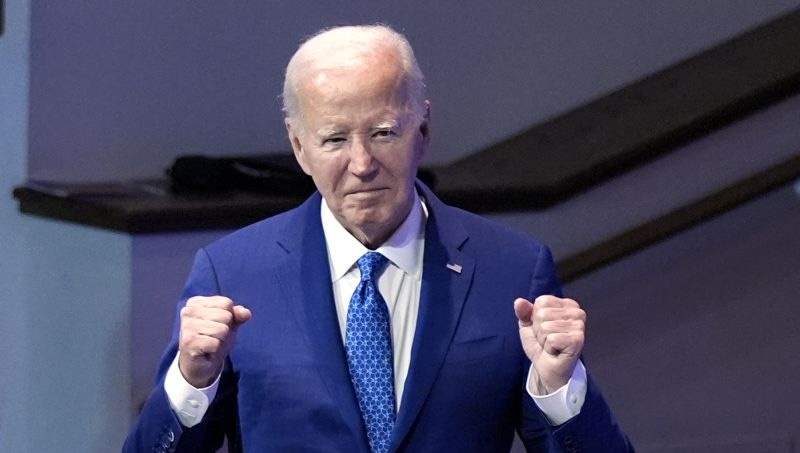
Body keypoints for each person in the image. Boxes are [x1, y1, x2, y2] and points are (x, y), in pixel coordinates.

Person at [123, 24, 634, 453]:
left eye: (385, 132)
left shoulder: (512, 269)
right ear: (299, 147)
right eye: (335, 140)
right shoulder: (231, 273)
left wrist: (559, 388)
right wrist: (191, 382)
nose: (363, 164)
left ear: (424, 128)